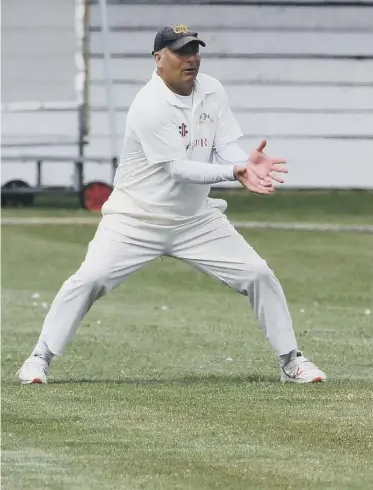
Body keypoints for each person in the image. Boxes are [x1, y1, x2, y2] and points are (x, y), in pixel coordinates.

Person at [18, 25, 326, 385]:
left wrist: (245, 162)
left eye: (195, 50)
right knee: (90, 279)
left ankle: (292, 361)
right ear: (158, 58)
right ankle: (39, 358)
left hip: (194, 221)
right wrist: (233, 171)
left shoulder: (212, 90)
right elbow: (177, 169)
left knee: (258, 274)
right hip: (136, 218)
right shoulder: (149, 105)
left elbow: (224, 144)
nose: (191, 58)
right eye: (181, 51)